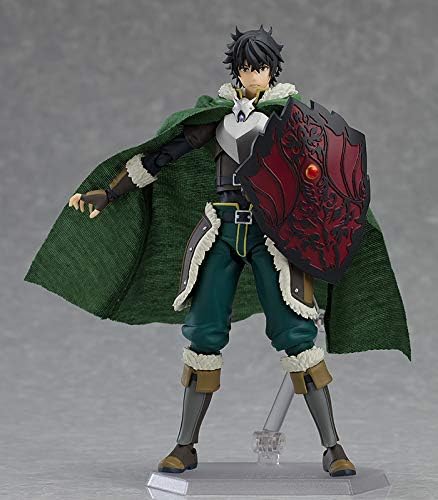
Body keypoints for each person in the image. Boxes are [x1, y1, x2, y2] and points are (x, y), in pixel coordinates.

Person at [25, 26, 410, 478]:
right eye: (246, 67)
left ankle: (334, 447)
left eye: (260, 67)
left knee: (296, 335)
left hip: (272, 235)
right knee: (204, 332)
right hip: (221, 230)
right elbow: (161, 157)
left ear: (272, 71)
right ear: (236, 70)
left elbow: (326, 178)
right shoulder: (217, 117)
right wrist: (109, 193)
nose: (253, 74)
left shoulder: (291, 117)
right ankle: (185, 445)